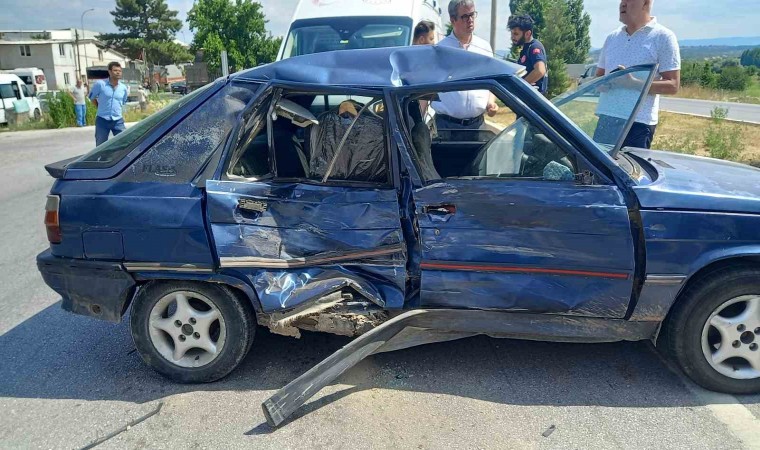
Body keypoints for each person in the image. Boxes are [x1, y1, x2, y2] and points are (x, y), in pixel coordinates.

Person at [594, 0, 680, 149]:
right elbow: (599, 77)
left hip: (638, 123)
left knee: (629, 166)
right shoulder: (612, 38)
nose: (623, 4)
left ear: (645, 3)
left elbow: (673, 85)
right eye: (622, 0)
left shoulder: (663, 37)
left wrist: (633, 83)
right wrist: (603, 84)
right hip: (606, 118)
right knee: (594, 164)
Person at [431, 0, 499, 135]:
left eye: (472, 14)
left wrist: (490, 102)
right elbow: (428, 88)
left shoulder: (484, 48)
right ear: (452, 20)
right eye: (465, 16)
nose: (470, 20)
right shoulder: (440, 50)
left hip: (477, 126)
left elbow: (492, 81)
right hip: (446, 127)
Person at [88, 61, 129, 146]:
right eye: (115, 70)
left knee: (124, 143)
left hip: (117, 120)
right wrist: (99, 106)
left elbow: (123, 102)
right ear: (109, 72)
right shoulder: (100, 84)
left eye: (119, 71)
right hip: (102, 120)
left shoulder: (123, 88)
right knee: (101, 145)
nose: (118, 72)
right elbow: (92, 97)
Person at [508, 14, 548, 95]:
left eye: (516, 34)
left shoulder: (534, 47)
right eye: (511, 33)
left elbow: (540, 70)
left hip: (533, 98)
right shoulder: (526, 48)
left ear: (528, 34)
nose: (512, 37)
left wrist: (521, 85)